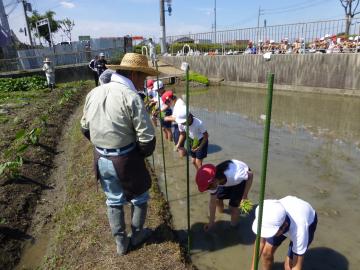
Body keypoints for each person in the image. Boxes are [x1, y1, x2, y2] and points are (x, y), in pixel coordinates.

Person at [80, 53, 158, 256]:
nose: (144, 82)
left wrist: (103, 144)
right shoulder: (131, 97)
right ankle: (138, 234)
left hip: (101, 157)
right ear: (133, 74)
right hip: (125, 157)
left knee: (113, 200)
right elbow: (147, 139)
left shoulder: (94, 93)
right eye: (143, 77)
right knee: (140, 197)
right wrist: (139, 155)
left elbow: (85, 128)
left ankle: (120, 243)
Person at [251, 196, 318, 270]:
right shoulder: (267, 216)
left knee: (288, 266)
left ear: (284, 226)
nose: (267, 235)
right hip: (282, 220)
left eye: (269, 232)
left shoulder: (300, 230)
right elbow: (260, 243)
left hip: (308, 221)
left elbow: (297, 267)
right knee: (266, 253)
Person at [195, 160, 253, 231]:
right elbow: (212, 202)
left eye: (209, 187)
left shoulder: (236, 176)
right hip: (225, 179)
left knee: (233, 207)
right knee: (217, 199)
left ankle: (233, 227)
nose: (209, 189)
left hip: (240, 180)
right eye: (207, 188)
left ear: (214, 181)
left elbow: (250, 175)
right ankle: (221, 212)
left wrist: (245, 195)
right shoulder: (211, 183)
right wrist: (211, 222)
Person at [162, 90, 187, 154]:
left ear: (169, 99)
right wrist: (167, 117)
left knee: (179, 147)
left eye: (166, 103)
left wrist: (167, 118)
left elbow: (179, 118)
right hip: (178, 126)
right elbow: (175, 116)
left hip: (181, 128)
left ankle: (182, 161)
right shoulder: (177, 103)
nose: (167, 105)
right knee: (179, 146)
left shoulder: (179, 105)